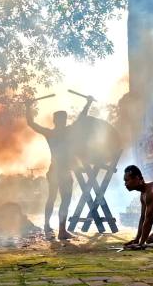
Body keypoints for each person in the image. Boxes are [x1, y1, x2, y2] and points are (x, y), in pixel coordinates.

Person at [26, 96, 93, 240]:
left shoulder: (51, 133)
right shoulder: (67, 131)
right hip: (61, 171)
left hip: (54, 170)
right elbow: (81, 119)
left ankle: (47, 225)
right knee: (65, 199)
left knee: (52, 198)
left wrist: (28, 107)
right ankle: (61, 231)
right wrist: (88, 103)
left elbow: (31, 123)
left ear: (55, 121)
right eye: (62, 119)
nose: (63, 121)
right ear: (61, 120)